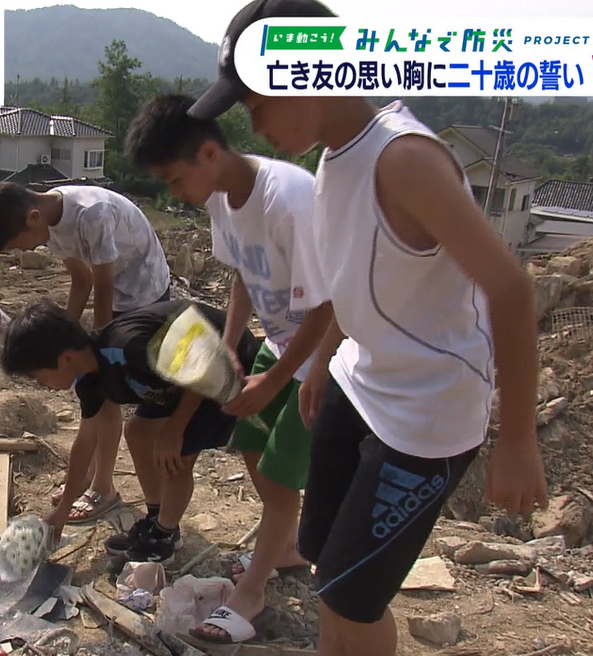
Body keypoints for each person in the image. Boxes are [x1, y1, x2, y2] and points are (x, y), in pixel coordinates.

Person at [188, 0, 550, 654]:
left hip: (425, 414)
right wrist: (326, 361)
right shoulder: (333, 161)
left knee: (355, 595)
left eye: (257, 103)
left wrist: (517, 439)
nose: (255, 123)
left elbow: (510, 286)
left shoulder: (402, 158)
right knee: (330, 570)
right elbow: (353, 280)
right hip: (360, 384)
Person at [125, 93, 331, 644]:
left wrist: (280, 377)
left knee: (284, 472)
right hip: (280, 340)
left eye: (172, 180)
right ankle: (285, 545)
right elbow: (243, 273)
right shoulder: (222, 196)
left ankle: (252, 596)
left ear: (209, 154)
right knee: (252, 448)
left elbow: (330, 306)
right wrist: (232, 343)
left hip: (327, 353)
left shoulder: (286, 199)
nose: (174, 194)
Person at [1, 298, 260, 566]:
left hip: (221, 369)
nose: (42, 384)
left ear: (65, 358)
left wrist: (174, 431)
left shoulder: (130, 348)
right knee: (137, 432)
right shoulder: (90, 380)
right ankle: (156, 518)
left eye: (38, 376)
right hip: (175, 381)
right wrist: (63, 508)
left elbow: (201, 367)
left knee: (176, 456)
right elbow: (86, 439)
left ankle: (164, 537)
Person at [0, 182, 172, 525]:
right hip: (115, 295)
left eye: (18, 245)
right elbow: (82, 282)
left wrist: (98, 354)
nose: (25, 251)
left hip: (144, 294)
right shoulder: (49, 223)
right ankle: (91, 477)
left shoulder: (91, 215)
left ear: (32, 218)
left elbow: (104, 287)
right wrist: (59, 339)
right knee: (91, 391)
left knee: (104, 390)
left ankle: (103, 488)